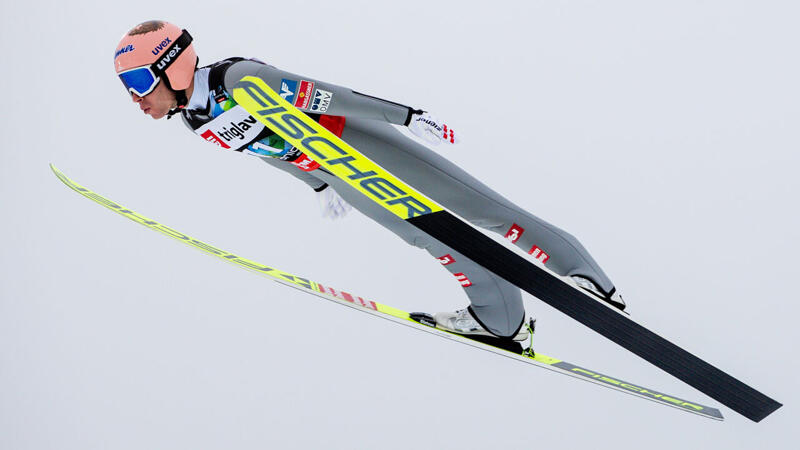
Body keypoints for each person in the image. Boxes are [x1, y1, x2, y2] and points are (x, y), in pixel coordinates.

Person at [114, 20, 624, 344]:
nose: (136, 99)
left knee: (478, 207)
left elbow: (327, 97)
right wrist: (318, 185)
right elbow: (265, 152)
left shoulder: (239, 79)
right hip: (342, 171)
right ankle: (501, 318)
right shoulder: (196, 122)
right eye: (128, 89)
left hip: (362, 144)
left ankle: (582, 274)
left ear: (170, 67)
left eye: (138, 83)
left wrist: (404, 116)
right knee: (432, 238)